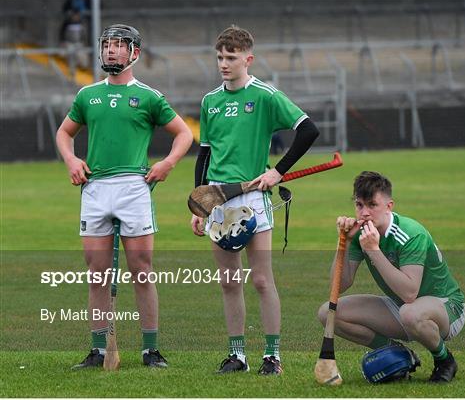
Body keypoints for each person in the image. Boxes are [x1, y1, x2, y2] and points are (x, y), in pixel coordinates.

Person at [56, 24, 193, 369]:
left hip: (134, 187)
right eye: (107, 45)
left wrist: (168, 163)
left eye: (119, 45)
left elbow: (183, 134)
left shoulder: (149, 96)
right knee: (97, 273)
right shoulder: (88, 96)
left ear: (135, 53)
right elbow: (64, 133)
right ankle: (98, 350)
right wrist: (72, 159)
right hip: (96, 188)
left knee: (142, 270)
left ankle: (151, 349)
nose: (111, 50)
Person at [190, 25, 319, 375]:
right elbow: (204, 155)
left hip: (253, 199)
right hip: (218, 198)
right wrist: (199, 204)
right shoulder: (210, 101)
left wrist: (277, 171)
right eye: (219, 57)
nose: (223, 64)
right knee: (228, 281)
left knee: (261, 280)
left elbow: (308, 129)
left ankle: (272, 356)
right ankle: (237, 356)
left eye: (230, 58)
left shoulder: (264, 95)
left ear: (248, 59)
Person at [318, 171, 465, 383]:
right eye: (359, 205)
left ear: (389, 206)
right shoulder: (360, 234)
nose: (364, 213)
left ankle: (444, 360)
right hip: (404, 307)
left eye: (372, 205)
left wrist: (374, 251)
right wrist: (344, 242)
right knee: (328, 313)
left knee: (410, 313)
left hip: (447, 307)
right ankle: (400, 355)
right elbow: (338, 287)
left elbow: (409, 292)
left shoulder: (411, 233)